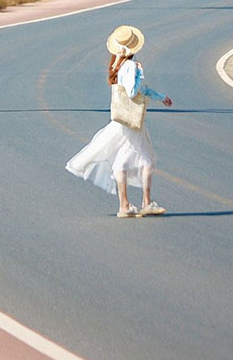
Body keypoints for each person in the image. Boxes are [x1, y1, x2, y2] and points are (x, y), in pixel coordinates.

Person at [65, 25, 173, 218]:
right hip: (132, 122)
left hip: (122, 121)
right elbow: (133, 91)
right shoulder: (131, 66)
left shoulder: (117, 65)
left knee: (122, 162)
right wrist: (141, 74)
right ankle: (146, 203)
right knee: (147, 160)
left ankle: (125, 205)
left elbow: (140, 90)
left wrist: (160, 96)